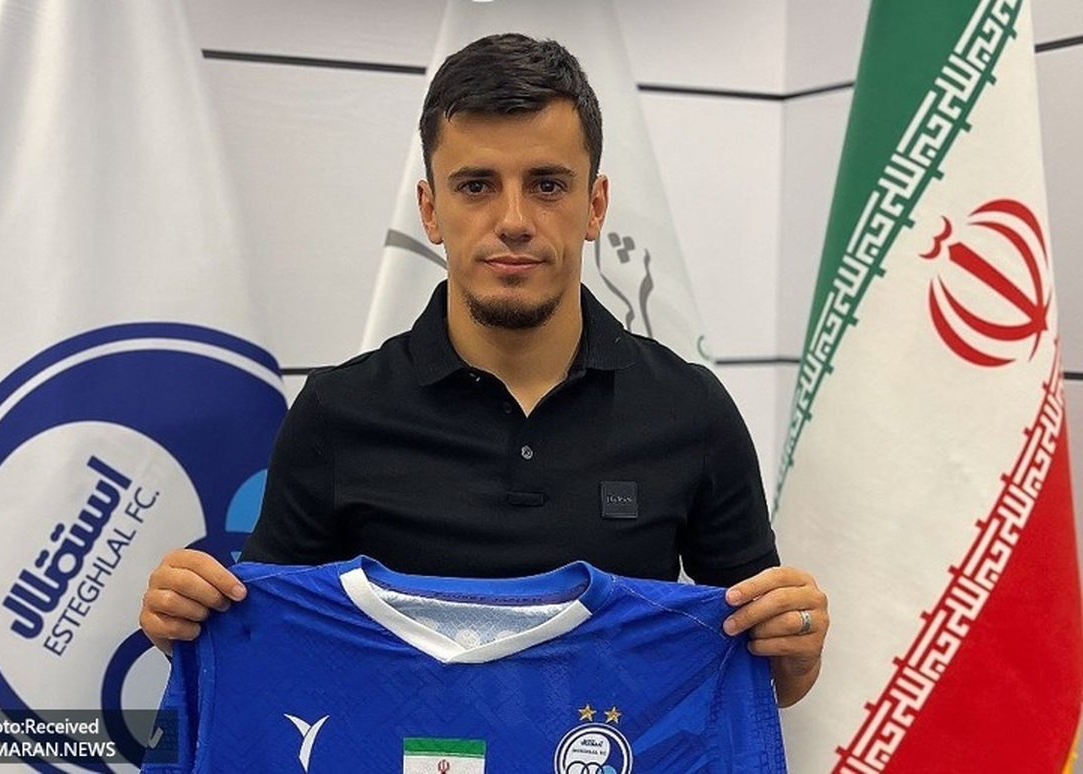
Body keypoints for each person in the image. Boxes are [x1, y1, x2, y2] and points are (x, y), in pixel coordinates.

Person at [140, 32, 828, 708]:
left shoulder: (690, 410)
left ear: (594, 207)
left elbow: (766, 674)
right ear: (431, 211)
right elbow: (264, 650)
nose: (514, 220)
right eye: (476, 186)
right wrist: (191, 625)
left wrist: (796, 647)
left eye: (547, 184)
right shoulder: (336, 411)